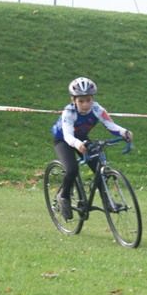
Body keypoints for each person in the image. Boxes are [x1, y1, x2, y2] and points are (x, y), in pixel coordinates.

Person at [50, 77, 133, 220]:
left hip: (82, 138)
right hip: (63, 140)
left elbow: (110, 125)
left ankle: (107, 201)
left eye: (88, 100)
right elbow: (68, 136)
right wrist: (78, 145)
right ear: (73, 100)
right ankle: (63, 197)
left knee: (100, 169)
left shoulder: (97, 109)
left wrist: (124, 132)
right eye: (81, 101)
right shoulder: (69, 112)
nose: (85, 104)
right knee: (72, 169)